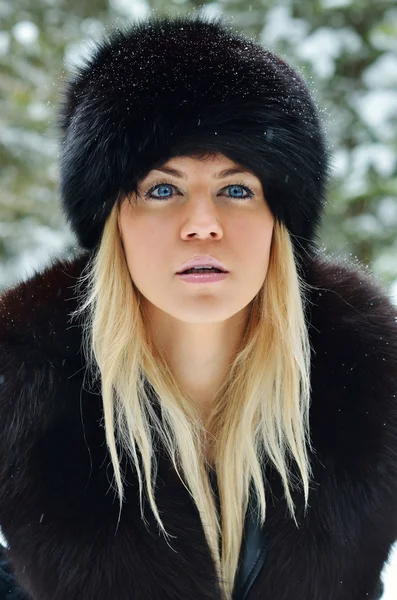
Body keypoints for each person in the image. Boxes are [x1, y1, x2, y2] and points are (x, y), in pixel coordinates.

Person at [0, 12, 396, 600]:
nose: (203, 224)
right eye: (164, 189)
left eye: (237, 189)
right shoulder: (18, 390)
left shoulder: (372, 391)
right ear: (114, 222)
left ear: (277, 223)